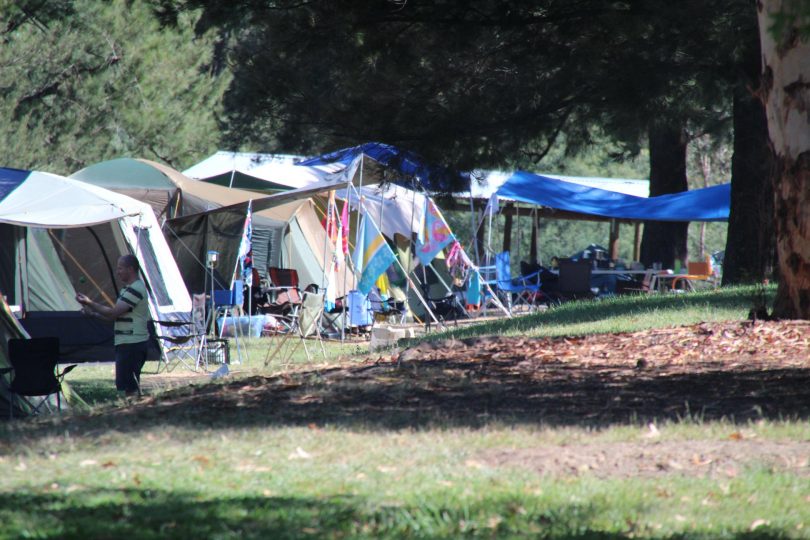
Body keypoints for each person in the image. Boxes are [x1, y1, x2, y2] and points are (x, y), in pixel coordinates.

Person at [76, 254, 148, 397]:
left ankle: (132, 412)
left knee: (130, 386)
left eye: (120, 268)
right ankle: (132, 411)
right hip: (126, 342)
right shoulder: (126, 290)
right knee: (126, 384)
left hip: (132, 343)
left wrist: (90, 303)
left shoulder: (135, 289)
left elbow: (112, 313)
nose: (118, 272)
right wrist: (93, 314)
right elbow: (114, 318)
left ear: (131, 269)